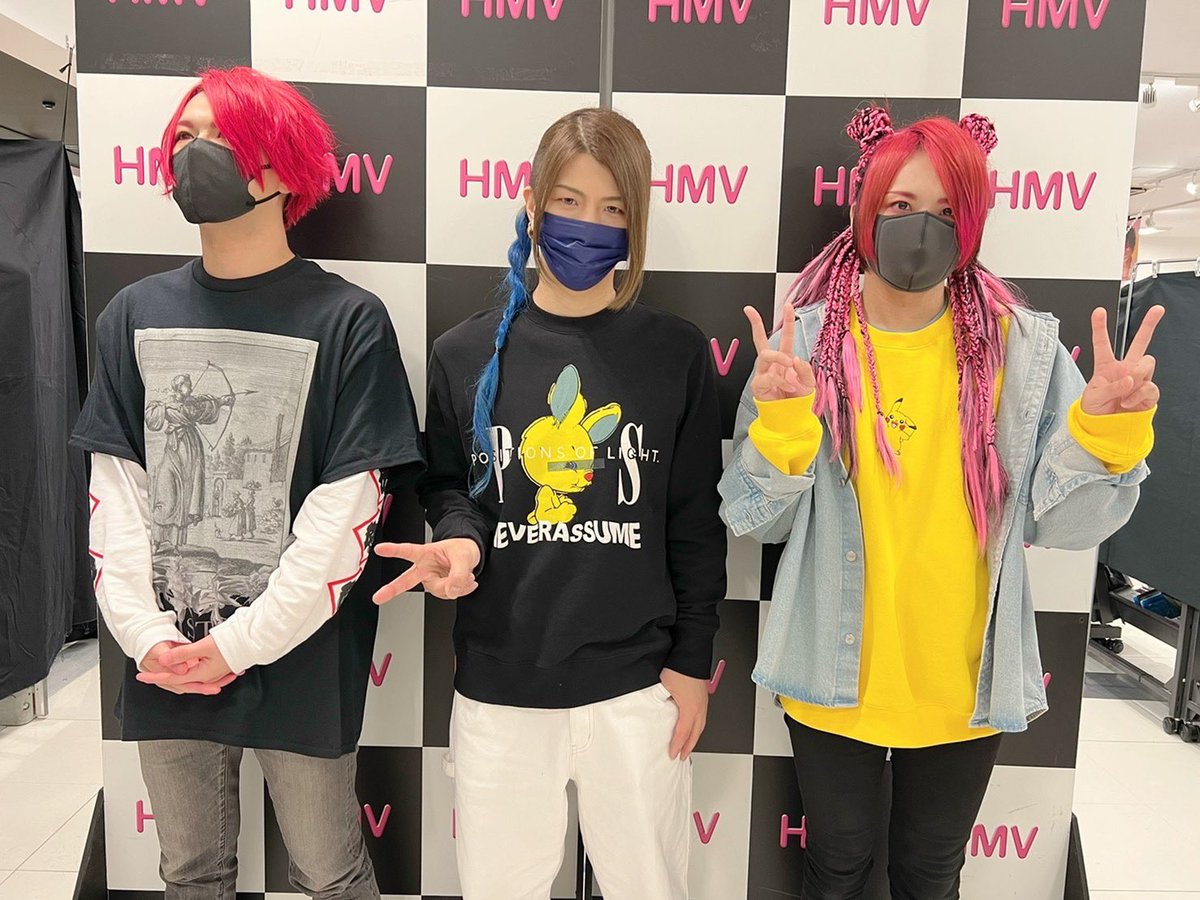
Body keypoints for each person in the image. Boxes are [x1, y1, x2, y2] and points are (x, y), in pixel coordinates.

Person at [719, 106, 1163, 900]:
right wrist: (784, 427)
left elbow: (1064, 525)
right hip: (833, 672)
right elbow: (756, 519)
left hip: (966, 681)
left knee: (931, 875)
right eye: (901, 205)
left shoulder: (1021, 348)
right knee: (837, 869)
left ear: (974, 224)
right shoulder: (804, 343)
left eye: (947, 211)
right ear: (867, 209)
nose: (922, 228)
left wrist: (1104, 435)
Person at [70, 66, 424, 900]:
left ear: (281, 165)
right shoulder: (132, 314)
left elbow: (346, 518)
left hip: (303, 657)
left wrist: (236, 646)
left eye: (223, 139)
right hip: (164, 657)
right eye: (186, 138)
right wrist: (148, 637)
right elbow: (115, 495)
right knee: (190, 871)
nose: (198, 155)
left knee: (330, 872)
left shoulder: (348, 321)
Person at [372, 107, 727, 900]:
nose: (587, 224)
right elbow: (452, 487)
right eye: (568, 201)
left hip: (637, 690)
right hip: (500, 689)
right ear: (532, 204)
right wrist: (459, 542)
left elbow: (694, 523)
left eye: (612, 208)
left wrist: (691, 661)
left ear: (635, 223)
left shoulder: (674, 353)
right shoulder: (464, 352)